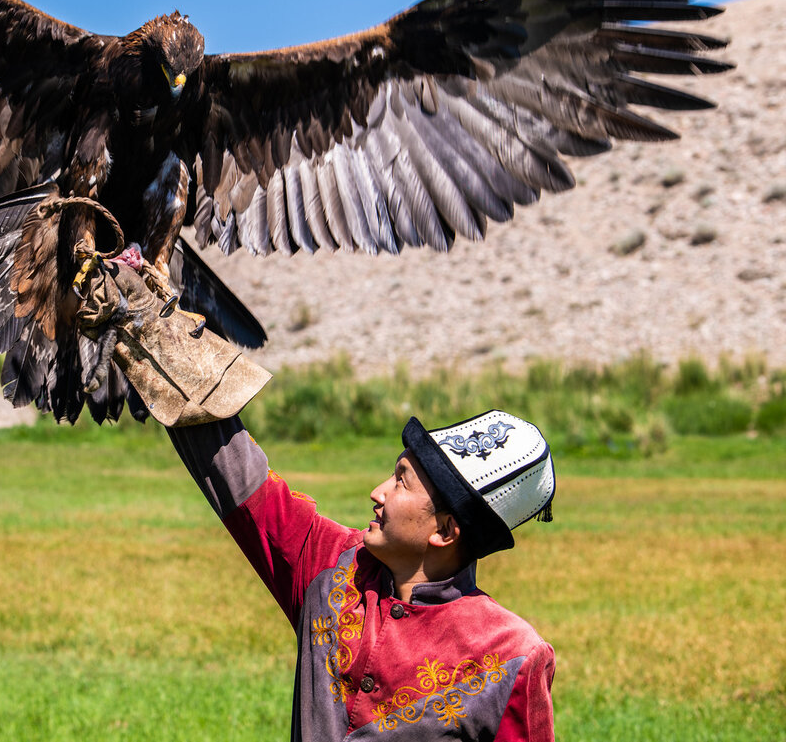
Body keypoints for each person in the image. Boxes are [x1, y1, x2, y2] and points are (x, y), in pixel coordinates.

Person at [77, 253, 557, 741]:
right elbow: (237, 476)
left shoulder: (512, 658)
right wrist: (137, 319)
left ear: (446, 530)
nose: (378, 492)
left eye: (401, 482)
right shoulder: (329, 567)